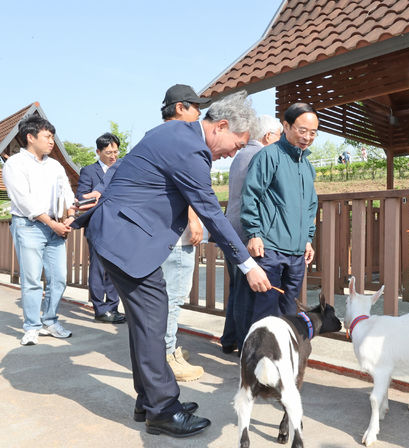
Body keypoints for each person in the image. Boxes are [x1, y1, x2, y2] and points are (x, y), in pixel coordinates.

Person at [73, 90, 272, 438]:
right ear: (221, 126)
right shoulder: (191, 148)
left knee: (146, 321)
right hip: (126, 240)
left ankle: (148, 400)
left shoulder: (171, 132)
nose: (232, 154)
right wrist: (247, 265)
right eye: (237, 145)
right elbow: (210, 210)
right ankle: (163, 410)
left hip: (119, 234)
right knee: (153, 319)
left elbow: (128, 165)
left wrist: (107, 193)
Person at [239, 103, 318, 334]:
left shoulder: (307, 165)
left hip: (296, 252)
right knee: (265, 307)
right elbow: (251, 195)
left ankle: (282, 358)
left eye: (313, 133)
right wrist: (254, 233)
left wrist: (307, 239)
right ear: (286, 126)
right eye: (302, 130)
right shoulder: (268, 156)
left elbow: (310, 205)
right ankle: (256, 360)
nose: (307, 137)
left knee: (289, 309)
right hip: (270, 247)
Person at [4, 115, 75, 345]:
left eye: (53, 137)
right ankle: (32, 326)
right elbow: (23, 201)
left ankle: (50, 320)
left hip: (56, 226)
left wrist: (70, 217)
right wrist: (52, 223)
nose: (51, 141)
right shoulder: (15, 163)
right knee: (32, 279)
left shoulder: (55, 165)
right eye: (47, 136)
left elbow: (67, 194)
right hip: (29, 226)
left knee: (59, 278)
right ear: (30, 137)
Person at [158, 84, 211, 381]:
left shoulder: (157, 137)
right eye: (195, 108)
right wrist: (194, 218)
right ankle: (166, 355)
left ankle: (167, 348)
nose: (199, 115)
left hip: (161, 234)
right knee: (173, 297)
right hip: (175, 236)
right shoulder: (180, 139)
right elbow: (184, 185)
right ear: (180, 108)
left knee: (168, 297)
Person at [220, 114, 283, 354]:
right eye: (279, 136)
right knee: (247, 292)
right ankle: (247, 347)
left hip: (231, 228)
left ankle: (229, 339)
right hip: (247, 232)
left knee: (237, 289)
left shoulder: (241, 154)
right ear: (268, 136)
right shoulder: (262, 154)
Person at [76, 132, 125, 324]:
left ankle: (113, 307)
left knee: (116, 268)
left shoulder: (123, 170)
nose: (113, 156)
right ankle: (99, 308)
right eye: (108, 152)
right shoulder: (89, 171)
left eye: (116, 151)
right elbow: (82, 198)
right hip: (97, 225)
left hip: (119, 227)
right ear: (98, 152)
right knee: (97, 268)